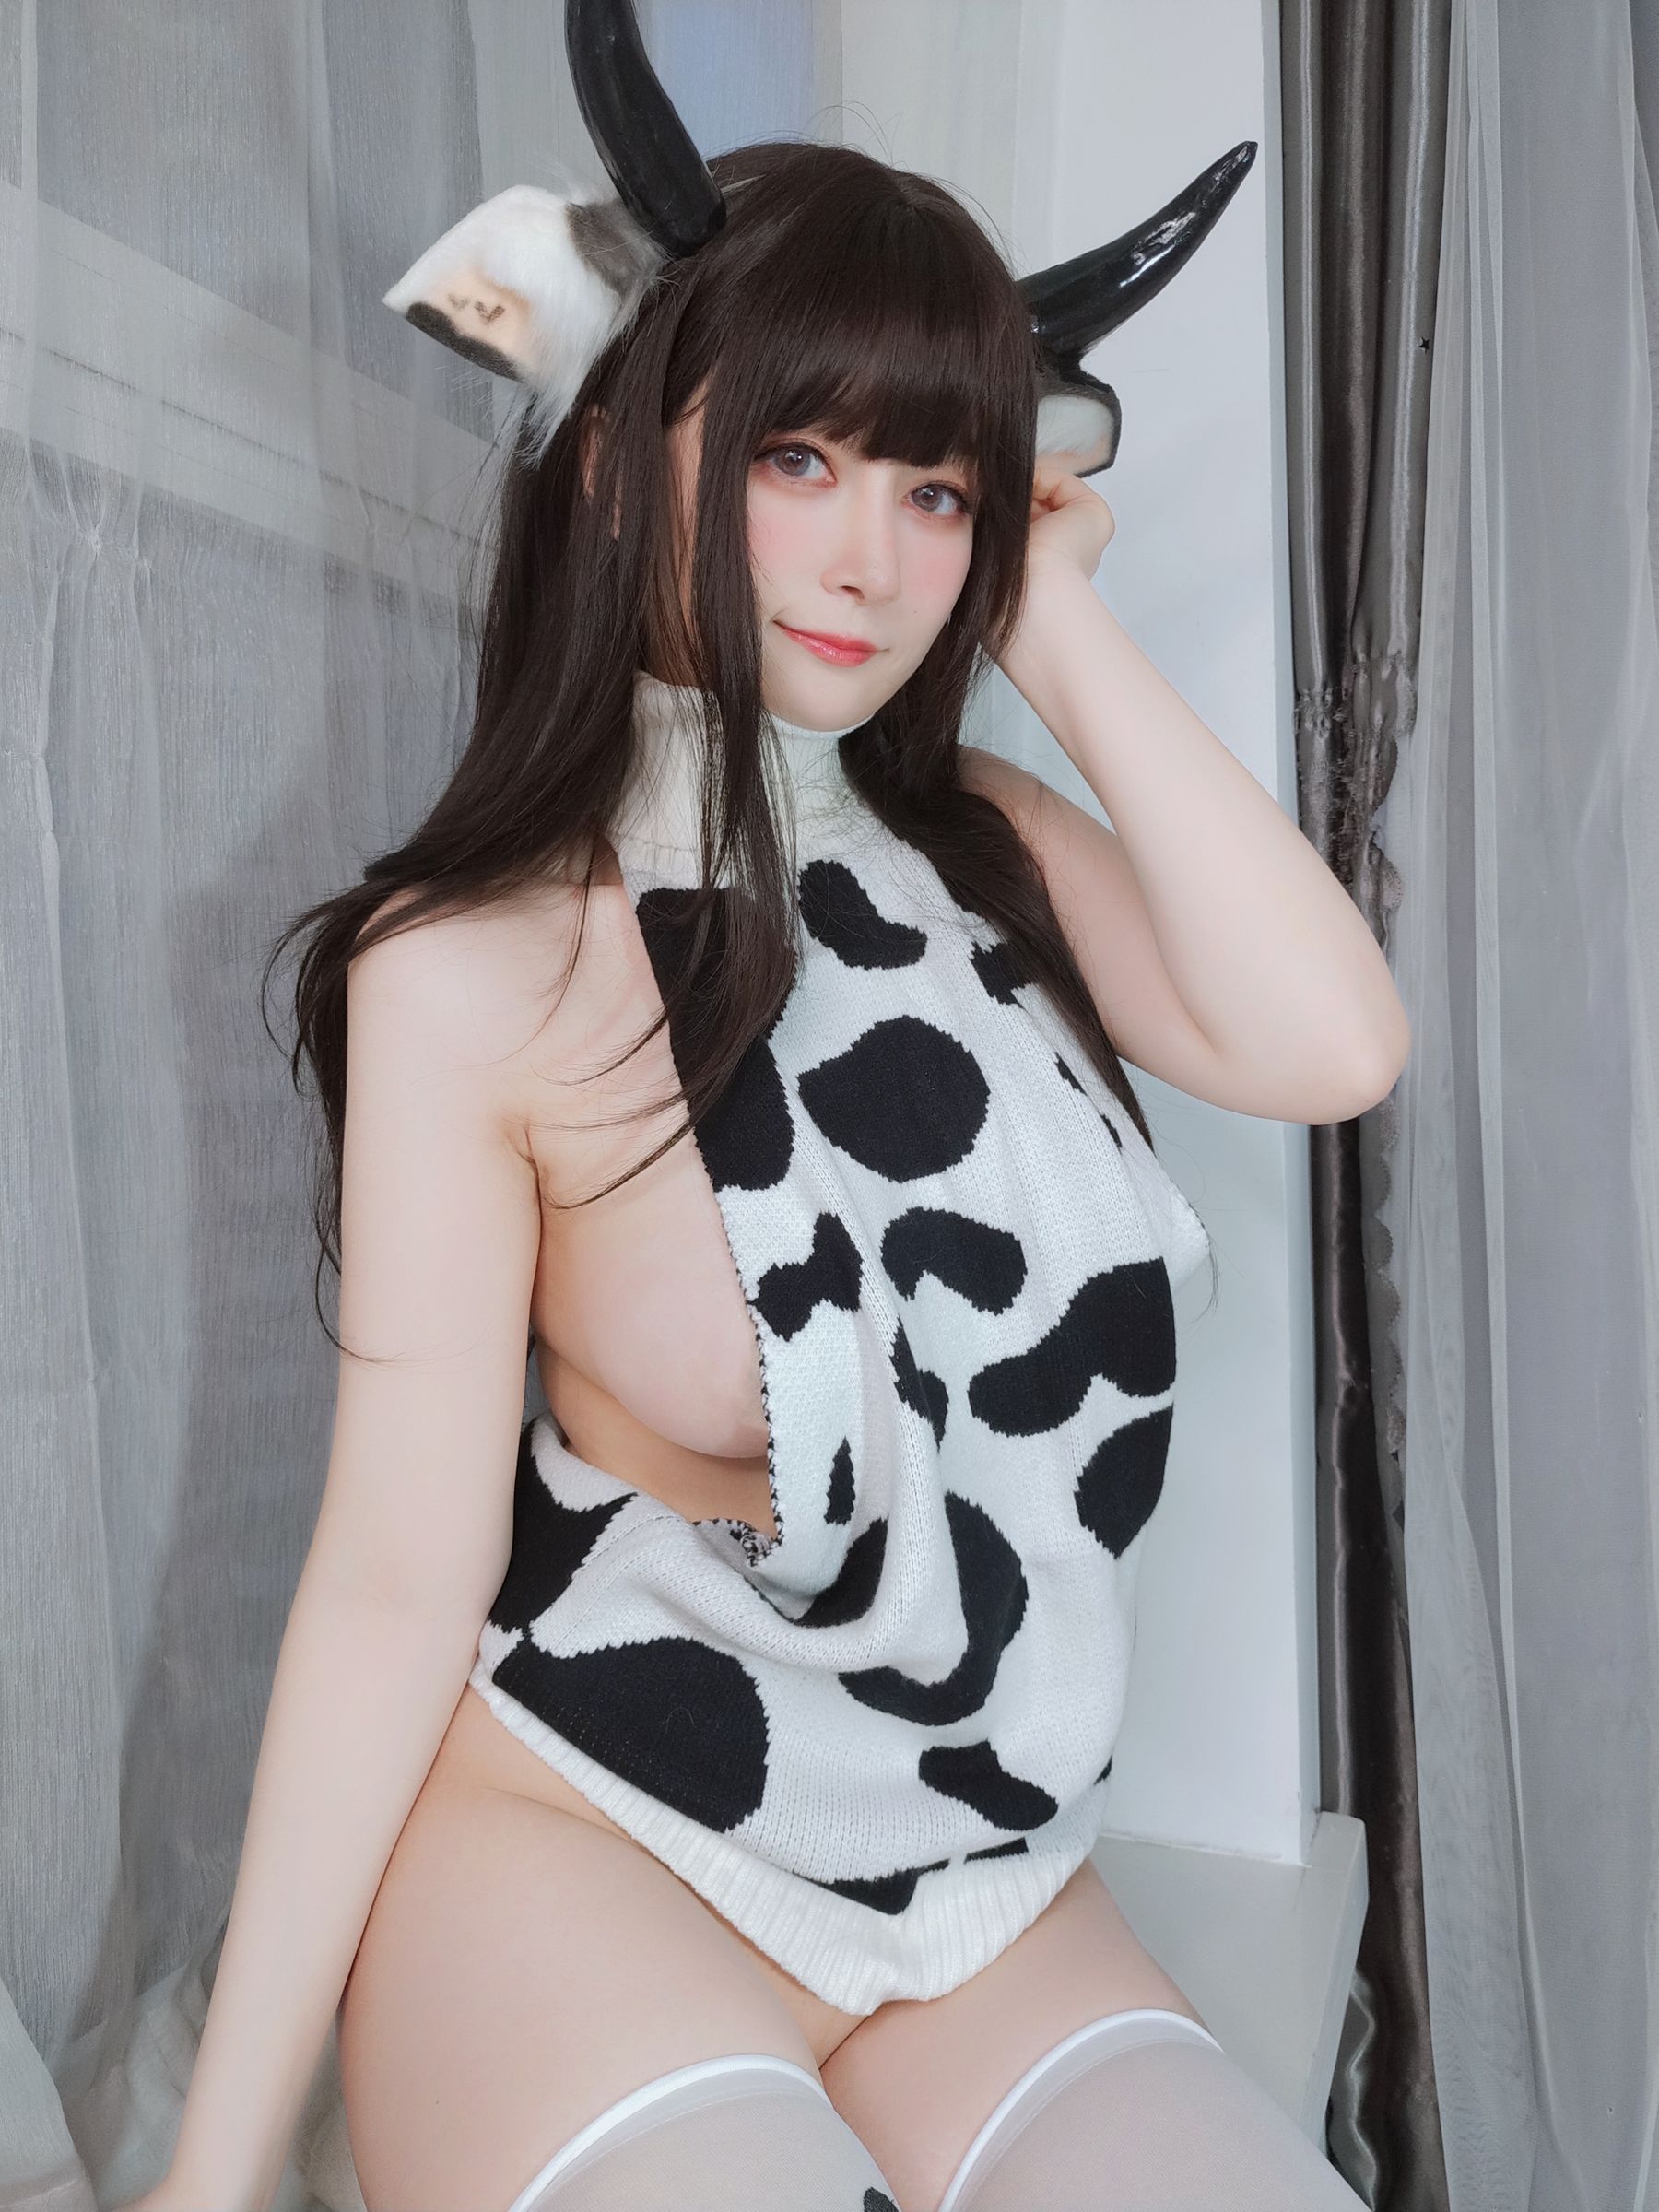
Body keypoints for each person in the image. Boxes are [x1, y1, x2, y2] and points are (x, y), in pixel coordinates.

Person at [124, 16, 1406, 2212]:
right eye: (796, 458)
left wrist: (1052, 619)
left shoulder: (986, 848)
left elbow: (1333, 1046)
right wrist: (212, 2172)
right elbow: (394, 1579)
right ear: (623, 462)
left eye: (935, 490)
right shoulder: (474, 965)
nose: (870, 560)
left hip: (963, 1868)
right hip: (583, 1840)